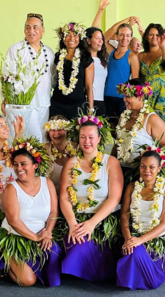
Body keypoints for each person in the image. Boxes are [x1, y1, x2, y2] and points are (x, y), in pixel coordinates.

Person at [0, 138, 62, 287]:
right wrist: (36, 237)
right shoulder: (12, 188)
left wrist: (47, 233)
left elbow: (54, 211)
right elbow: (13, 221)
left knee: (53, 266)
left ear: (35, 165)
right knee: (27, 281)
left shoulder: (46, 183)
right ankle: (2, 258)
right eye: (15, 165)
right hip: (15, 235)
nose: (19, 168)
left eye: (23, 164)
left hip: (42, 233)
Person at [59, 115, 123, 282]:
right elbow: (65, 197)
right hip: (76, 218)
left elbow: (114, 198)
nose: (87, 141)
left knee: (90, 251)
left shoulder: (111, 162)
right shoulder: (71, 163)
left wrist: (92, 223)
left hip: (102, 219)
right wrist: (73, 224)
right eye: (82, 137)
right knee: (76, 243)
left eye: (91, 137)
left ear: (99, 139)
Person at [117, 149, 165, 290]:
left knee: (135, 253)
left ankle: (144, 276)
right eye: (143, 166)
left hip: (155, 240)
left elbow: (164, 224)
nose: (146, 170)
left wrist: (140, 240)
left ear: (159, 168)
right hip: (133, 236)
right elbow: (124, 215)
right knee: (131, 251)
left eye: (151, 167)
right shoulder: (132, 187)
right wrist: (128, 238)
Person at [3, 13, 55, 142]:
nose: (31, 31)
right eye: (28, 27)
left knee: (43, 140)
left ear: (42, 31)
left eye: (35, 27)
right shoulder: (16, 49)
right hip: (23, 105)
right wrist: (5, 97)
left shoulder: (49, 52)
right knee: (31, 139)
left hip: (44, 103)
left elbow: (53, 79)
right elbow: (7, 76)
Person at [113, 79, 165, 179]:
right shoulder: (123, 116)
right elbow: (118, 143)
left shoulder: (152, 119)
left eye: (128, 96)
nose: (124, 100)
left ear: (140, 97)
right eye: (124, 96)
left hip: (140, 174)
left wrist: (151, 160)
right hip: (120, 170)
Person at [50, 22, 95, 119]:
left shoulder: (86, 58)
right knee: (56, 133)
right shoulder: (58, 56)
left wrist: (90, 111)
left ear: (80, 38)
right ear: (63, 38)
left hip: (77, 106)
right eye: (68, 35)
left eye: (75, 35)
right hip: (57, 105)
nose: (71, 38)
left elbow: (89, 87)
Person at [139, 23, 165, 131]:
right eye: (151, 35)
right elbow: (137, 78)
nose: (154, 37)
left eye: (157, 35)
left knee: (161, 129)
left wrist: (163, 47)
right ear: (146, 36)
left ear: (161, 37)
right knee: (145, 128)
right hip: (146, 97)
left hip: (162, 97)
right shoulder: (141, 55)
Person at [102, 19, 141, 119]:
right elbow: (103, 38)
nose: (125, 38)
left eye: (128, 35)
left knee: (121, 129)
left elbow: (135, 82)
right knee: (108, 129)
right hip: (107, 95)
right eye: (122, 35)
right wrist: (127, 20)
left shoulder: (132, 56)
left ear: (131, 37)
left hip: (122, 99)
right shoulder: (111, 52)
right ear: (117, 36)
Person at [42, 115, 76, 192]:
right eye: (52, 130)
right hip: (50, 197)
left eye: (60, 129)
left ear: (67, 130)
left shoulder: (78, 149)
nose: (56, 133)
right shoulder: (43, 149)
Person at [84, 27, 109, 116]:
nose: (100, 41)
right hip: (87, 101)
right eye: (97, 38)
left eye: (101, 38)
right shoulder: (84, 60)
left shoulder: (103, 59)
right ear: (88, 40)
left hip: (101, 100)